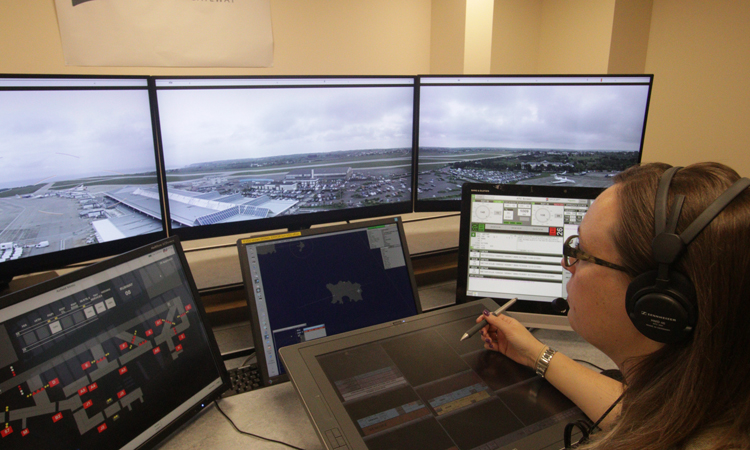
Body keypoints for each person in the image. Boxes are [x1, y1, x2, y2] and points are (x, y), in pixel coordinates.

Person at [477, 162, 750, 450]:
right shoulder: (710, 407)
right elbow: (643, 417)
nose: (566, 264)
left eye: (581, 251)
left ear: (656, 303)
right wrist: (535, 353)